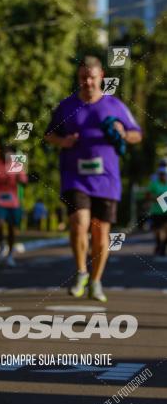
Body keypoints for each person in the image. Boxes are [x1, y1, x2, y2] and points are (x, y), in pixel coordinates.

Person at [44, 55, 142, 302]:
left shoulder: (115, 106)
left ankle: (96, 281)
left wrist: (122, 132)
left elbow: (136, 135)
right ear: (79, 79)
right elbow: (49, 135)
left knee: (101, 233)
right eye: (83, 78)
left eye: (92, 77)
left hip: (107, 179)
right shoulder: (66, 106)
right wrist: (62, 141)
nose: (87, 82)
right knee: (79, 222)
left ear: (101, 78)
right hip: (75, 176)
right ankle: (81, 272)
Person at [0, 140, 28, 267]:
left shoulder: (16, 164)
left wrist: (21, 179)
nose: (7, 154)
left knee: (11, 229)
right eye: (5, 152)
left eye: (10, 152)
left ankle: (10, 254)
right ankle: (1, 244)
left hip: (13, 201)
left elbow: (24, 182)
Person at [145, 164, 167, 256]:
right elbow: (148, 195)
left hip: (166, 211)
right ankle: (158, 244)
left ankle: (163, 247)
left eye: (164, 174)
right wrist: (157, 198)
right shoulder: (154, 184)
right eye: (161, 174)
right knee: (157, 230)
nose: (162, 176)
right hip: (156, 211)